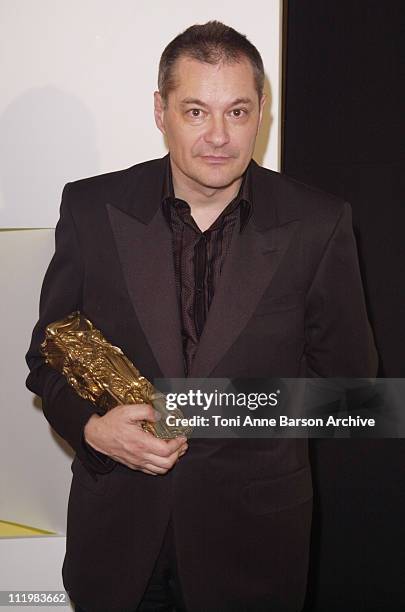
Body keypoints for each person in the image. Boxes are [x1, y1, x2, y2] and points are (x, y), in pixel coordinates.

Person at [25, 21, 378, 612]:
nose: (218, 136)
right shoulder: (91, 208)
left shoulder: (319, 223)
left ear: (261, 112)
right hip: (115, 540)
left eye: (237, 112)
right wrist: (91, 430)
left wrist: (196, 409)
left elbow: (352, 395)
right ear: (160, 110)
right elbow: (47, 353)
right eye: (196, 112)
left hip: (254, 546)